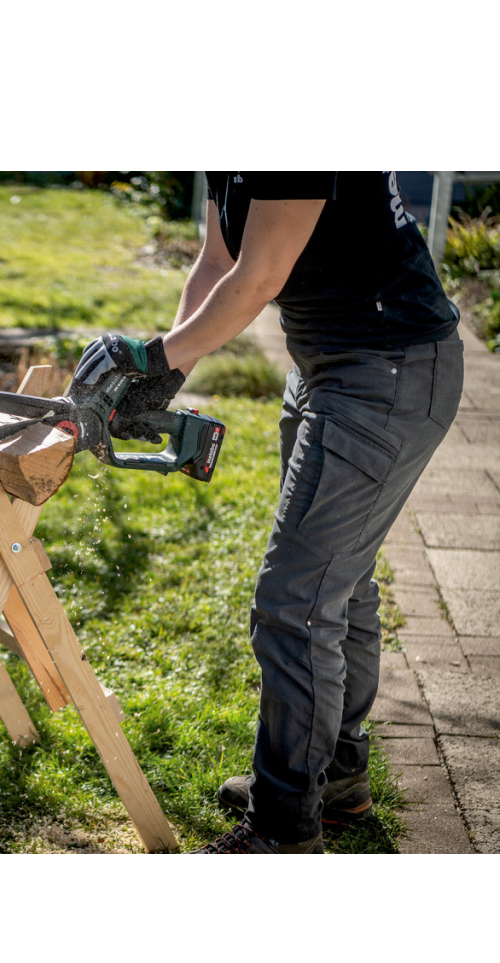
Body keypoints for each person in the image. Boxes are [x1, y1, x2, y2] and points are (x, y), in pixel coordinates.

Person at [73, 172, 463, 854]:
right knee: (340, 584)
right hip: (324, 366)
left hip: (389, 369)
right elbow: (216, 262)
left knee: (297, 603)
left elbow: (258, 278)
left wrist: (150, 359)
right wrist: (168, 372)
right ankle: (335, 776)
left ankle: (283, 830)